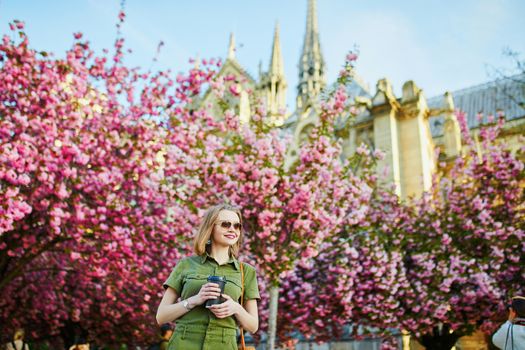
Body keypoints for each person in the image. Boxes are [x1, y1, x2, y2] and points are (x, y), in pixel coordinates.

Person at [156, 204, 260, 350]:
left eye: (237, 226)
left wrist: (236, 308)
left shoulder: (246, 271)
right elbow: (161, 316)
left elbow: (253, 326)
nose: (232, 229)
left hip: (224, 345)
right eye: (225, 224)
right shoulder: (186, 265)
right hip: (184, 343)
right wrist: (193, 301)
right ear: (210, 228)